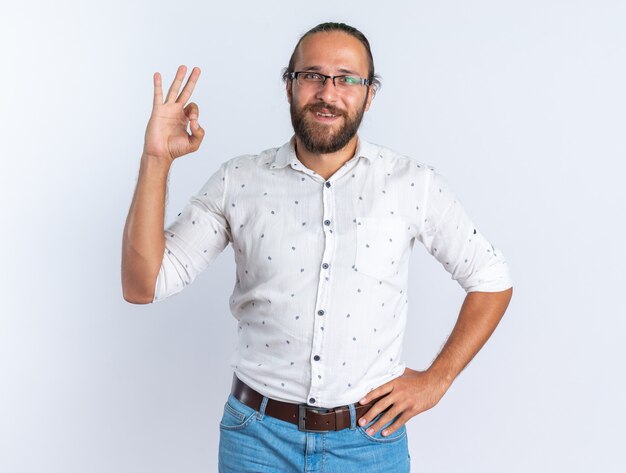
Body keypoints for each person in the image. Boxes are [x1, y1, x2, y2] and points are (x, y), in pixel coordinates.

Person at [121, 22, 513, 473]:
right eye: (312, 75)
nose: (329, 92)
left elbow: (491, 278)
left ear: (369, 94)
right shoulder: (238, 180)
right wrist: (156, 159)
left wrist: (435, 382)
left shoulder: (412, 184)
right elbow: (142, 284)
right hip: (257, 441)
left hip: (370, 443)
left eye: (347, 78)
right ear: (288, 86)